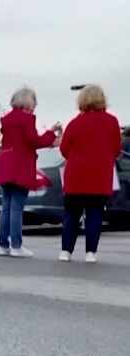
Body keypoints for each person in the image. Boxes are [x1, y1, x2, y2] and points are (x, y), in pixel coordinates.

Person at [0, 87, 60, 258]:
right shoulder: (25, 119)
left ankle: (3, 244)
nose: (35, 105)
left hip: (5, 162)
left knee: (6, 206)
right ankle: (16, 245)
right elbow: (34, 141)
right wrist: (51, 133)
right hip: (19, 165)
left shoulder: (7, 120)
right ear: (27, 101)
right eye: (33, 101)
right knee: (17, 206)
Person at [58, 85, 121, 263]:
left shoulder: (75, 123)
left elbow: (64, 150)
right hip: (100, 175)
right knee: (95, 213)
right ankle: (90, 252)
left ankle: (66, 251)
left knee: (71, 214)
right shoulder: (112, 122)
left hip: (75, 175)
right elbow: (116, 149)